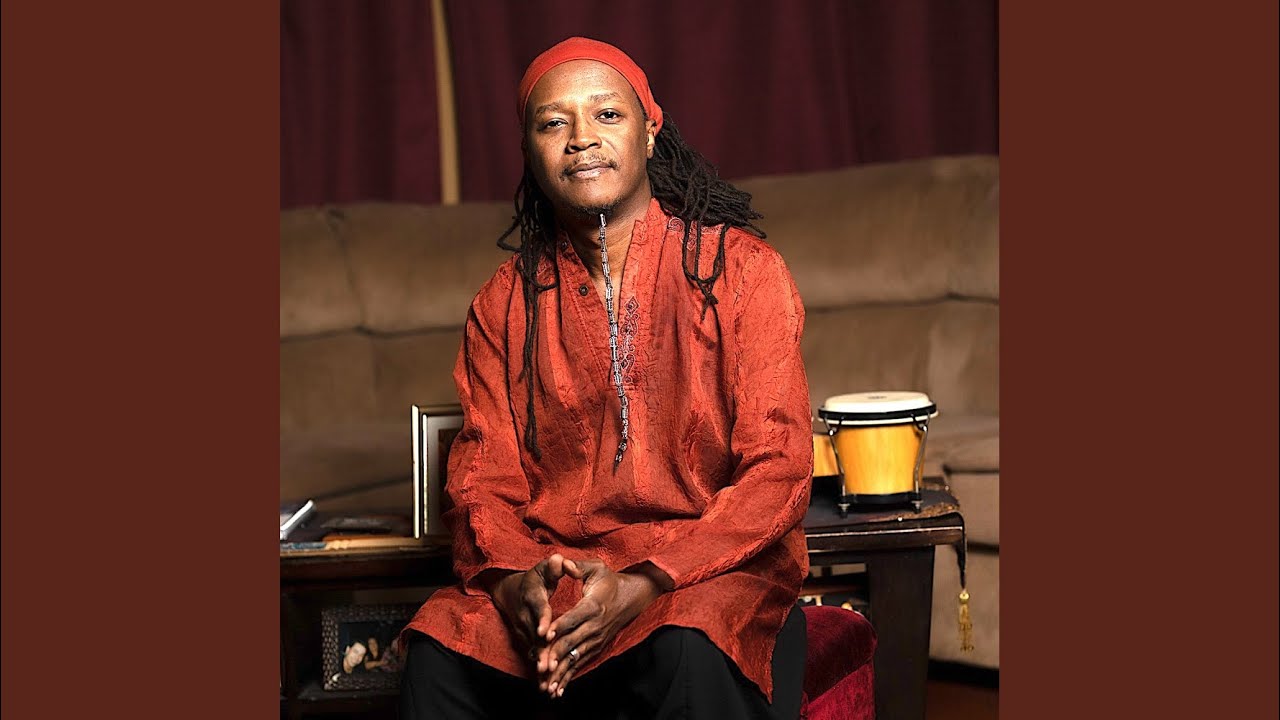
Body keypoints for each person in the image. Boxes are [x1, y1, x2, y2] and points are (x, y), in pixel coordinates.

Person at [400, 36, 813, 720]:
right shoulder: (503, 305)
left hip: (704, 576)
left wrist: (646, 581)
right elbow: (481, 482)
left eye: (607, 115)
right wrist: (516, 585)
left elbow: (779, 471)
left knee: (686, 644)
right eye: (553, 123)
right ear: (530, 151)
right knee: (438, 650)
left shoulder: (742, 272)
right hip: (561, 578)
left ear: (650, 132)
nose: (581, 139)